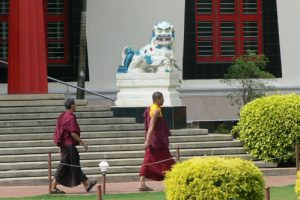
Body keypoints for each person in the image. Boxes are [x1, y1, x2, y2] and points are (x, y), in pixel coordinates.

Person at [52, 98, 96, 194]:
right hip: (69, 146)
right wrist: (83, 143)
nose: (76, 106)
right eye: (75, 104)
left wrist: (60, 146)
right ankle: (53, 187)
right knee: (63, 166)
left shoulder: (62, 116)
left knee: (75, 165)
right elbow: (73, 133)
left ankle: (87, 184)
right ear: (72, 105)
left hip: (65, 146)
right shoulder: (70, 117)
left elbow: (60, 132)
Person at [139, 92, 176, 191]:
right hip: (157, 142)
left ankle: (142, 184)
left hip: (155, 140)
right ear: (158, 99)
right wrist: (147, 141)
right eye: (162, 98)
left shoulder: (151, 108)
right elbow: (151, 127)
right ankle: (178, 178)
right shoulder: (155, 110)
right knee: (168, 160)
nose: (163, 100)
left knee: (148, 160)